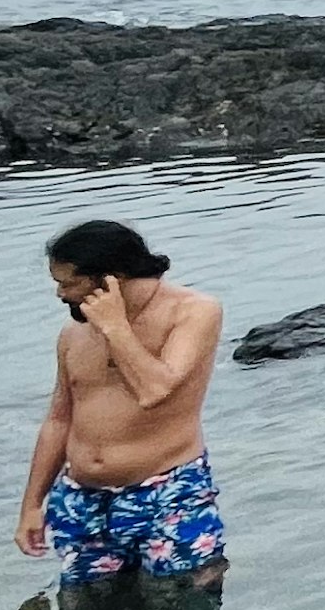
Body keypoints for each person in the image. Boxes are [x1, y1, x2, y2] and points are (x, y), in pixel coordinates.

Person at [15, 220, 228, 584]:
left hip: (167, 492)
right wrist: (32, 505)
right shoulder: (73, 333)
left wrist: (115, 328)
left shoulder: (194, 312)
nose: (61, 295)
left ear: (110, 279)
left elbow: (154, 391)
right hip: (83, 500)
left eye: (68, 284)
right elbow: (59, 420)